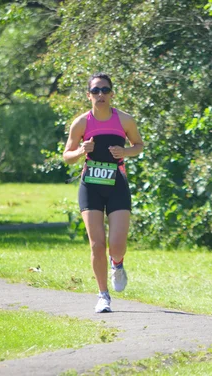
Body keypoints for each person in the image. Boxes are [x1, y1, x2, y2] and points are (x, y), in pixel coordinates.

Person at [63, 73, 144, 313]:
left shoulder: (125, 120)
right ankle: (103, 295)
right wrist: (80, 152)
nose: (101, 95)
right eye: (96, 91)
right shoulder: (81, 123)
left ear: (112, 94)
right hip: (91, 186)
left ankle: (117, 264)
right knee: (97, 244)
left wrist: (125, 152)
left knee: (116, 245)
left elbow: (139, 146)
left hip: (117, 183)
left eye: (105, 90)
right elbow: (67, 156)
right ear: (88, 95)